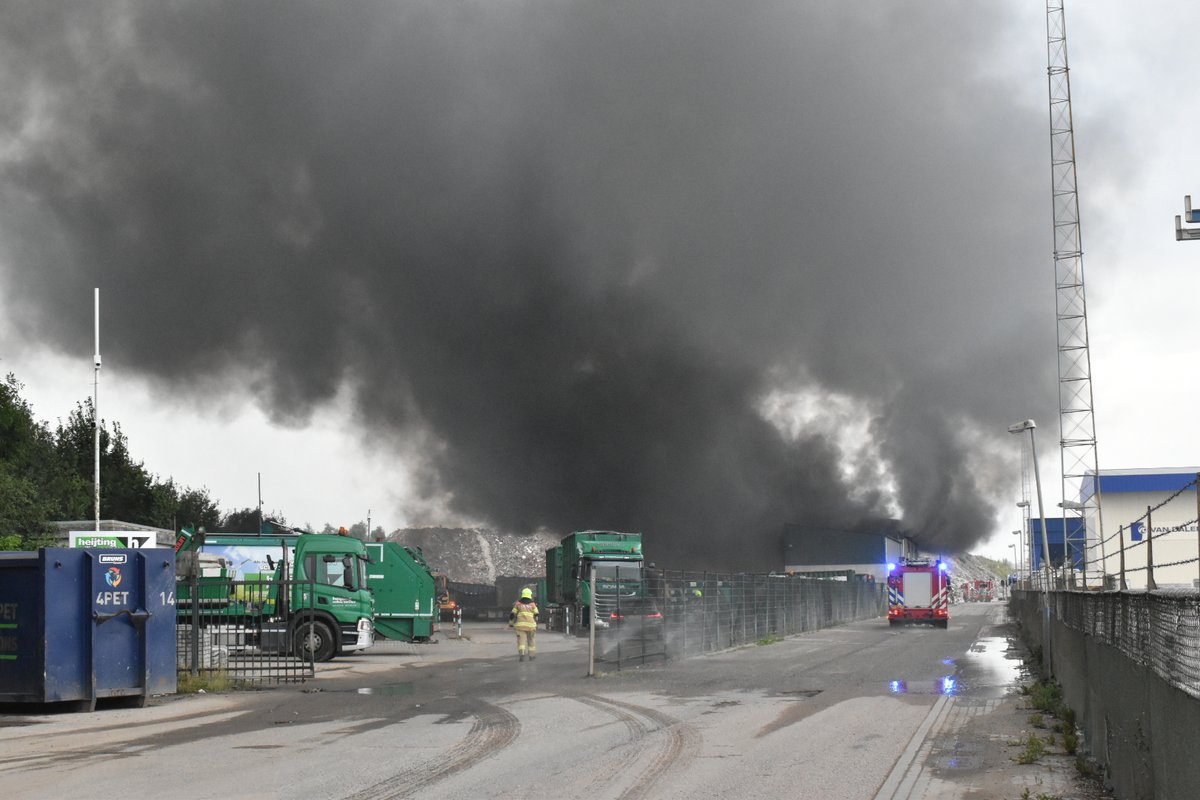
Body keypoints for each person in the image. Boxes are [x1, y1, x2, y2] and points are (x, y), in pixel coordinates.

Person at [507, 587, 539, 662]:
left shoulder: (518, 604)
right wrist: (536, 623)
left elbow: (512, 614)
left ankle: (522, 655)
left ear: (522, 594)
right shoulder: (533, 604)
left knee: (521, 641)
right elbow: (536, 614)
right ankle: (532, 656)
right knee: (531, 640)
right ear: (530, 595)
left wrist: (511, 623)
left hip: (520, 627)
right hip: (531, 626)